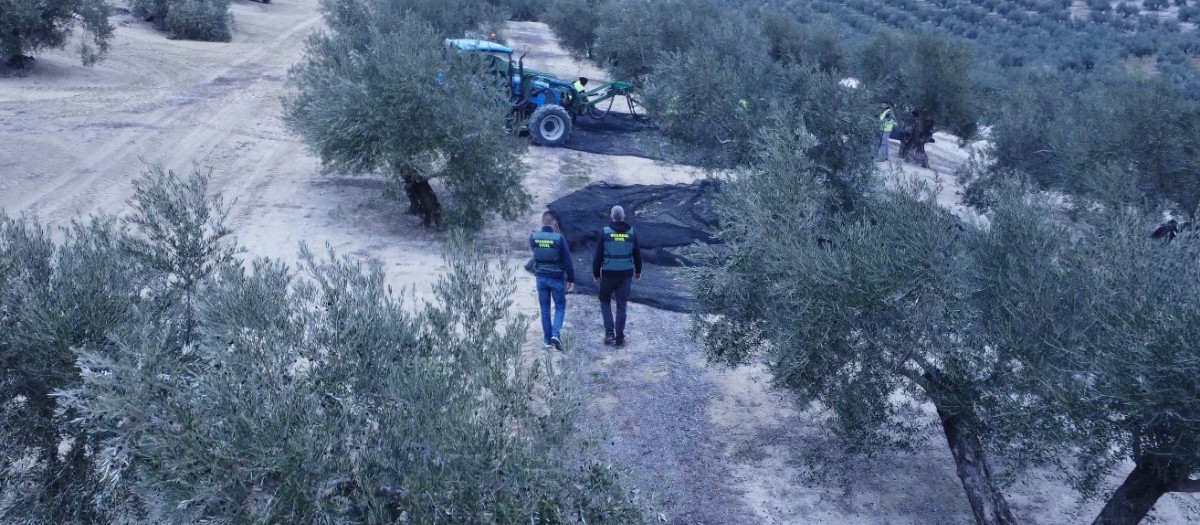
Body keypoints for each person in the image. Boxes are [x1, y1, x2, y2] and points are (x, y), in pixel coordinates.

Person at [592, 205, 641, 348]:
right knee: (621, 305)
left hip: (608, 273)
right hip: (626, 274)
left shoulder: (605, 232)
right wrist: (638, 271)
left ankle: (609, 334)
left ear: (611, 217)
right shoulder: (632, 233)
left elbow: (598, 255)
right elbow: (637, 254)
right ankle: (619, 340)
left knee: (604, 300)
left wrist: (596, 274)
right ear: (623, 216)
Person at [530, 211, 575, 350]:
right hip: (556, 277)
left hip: (541, 277)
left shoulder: (533, 238)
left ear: (542, 222)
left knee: (545, 309)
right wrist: (571, 279)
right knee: (560, 306)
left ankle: (547, 340)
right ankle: (556, 334)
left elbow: (535, 253)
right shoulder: (559, 239)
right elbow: (568, 260)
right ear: (554, 222)